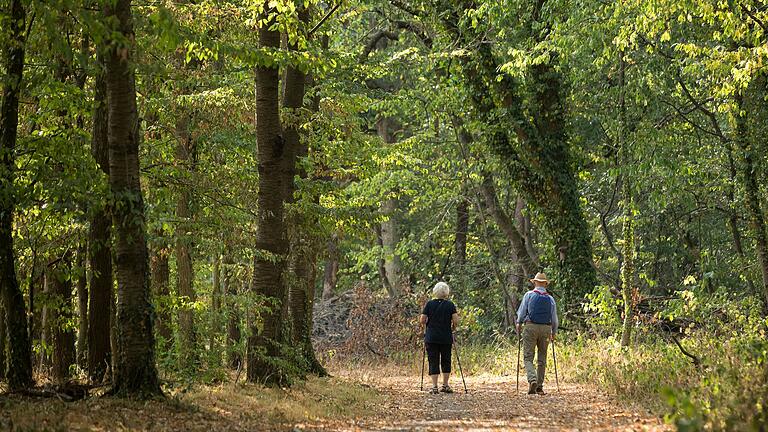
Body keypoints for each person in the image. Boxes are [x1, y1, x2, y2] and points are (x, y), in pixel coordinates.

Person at [516, 272, 558, 395]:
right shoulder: (550, 298)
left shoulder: (529, 295)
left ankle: (532, 379)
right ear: (545, 284)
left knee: (528, 357)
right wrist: (553, 332)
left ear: (534, 282)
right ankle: (539, 386)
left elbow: (522, 312)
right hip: (546, 328)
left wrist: (518, 323)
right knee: (542, 358)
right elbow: (554, 318)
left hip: (530, 327)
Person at [419, 282, 459, 394]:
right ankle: (445, 385)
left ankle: (434, 386)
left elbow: (422, 320)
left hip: (431, 337)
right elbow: (456, 320)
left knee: (433, 360)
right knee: (446, 360)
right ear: (446, 292)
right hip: (445, 337)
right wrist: (453, 327)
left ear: (435, 291)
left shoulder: (429, 304)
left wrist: (428, 324)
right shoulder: (450, 305)